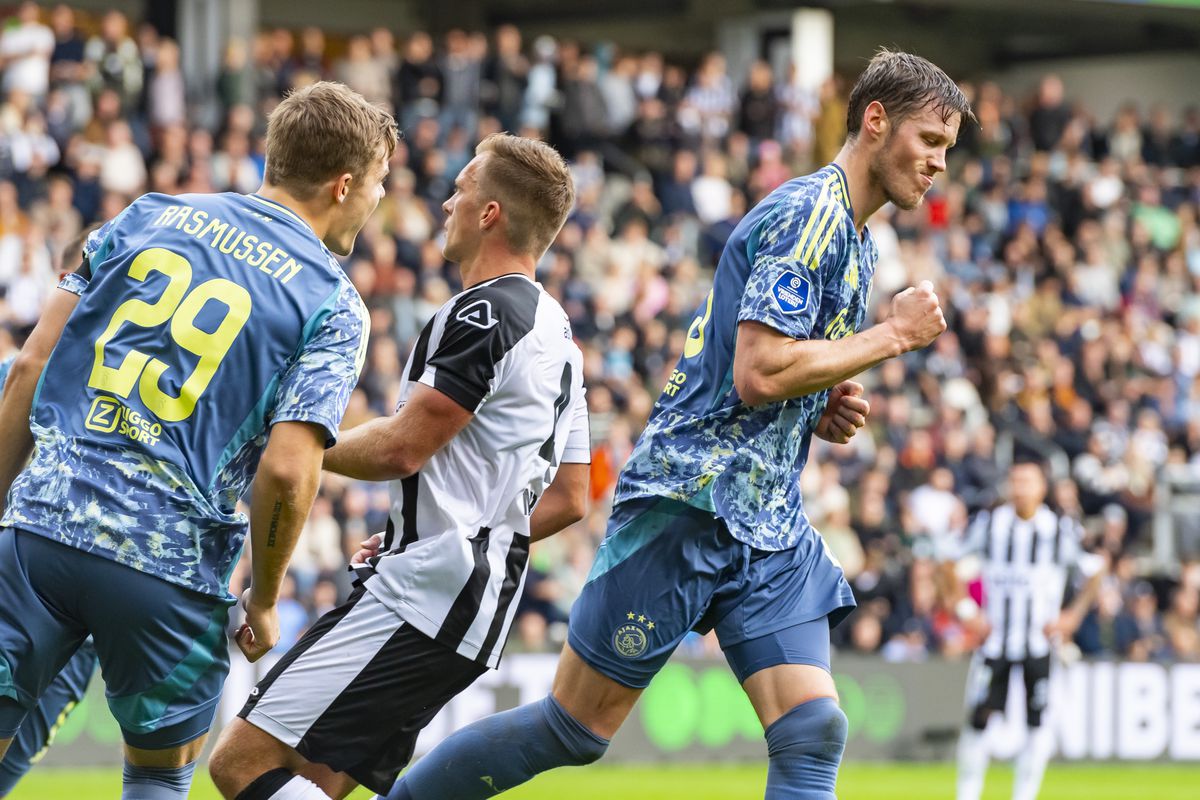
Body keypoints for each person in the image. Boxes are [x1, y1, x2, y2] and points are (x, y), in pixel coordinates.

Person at [385, 47, 972, 800]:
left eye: (948, 152)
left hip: (764, 519)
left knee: (813, 729)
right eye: (929, 142)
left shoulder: (855, 236)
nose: (938, 165)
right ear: (875, 120)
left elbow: (757, 357)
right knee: (572, 731)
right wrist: (888, 336)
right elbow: (759, 374)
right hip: (687, 506)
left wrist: (815, 400)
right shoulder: (811, 216)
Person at [0, 81, 396, 799]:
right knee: (154, 784)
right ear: (344, 186)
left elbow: (31, 363)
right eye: (378, 185)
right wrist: (267, 598)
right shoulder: (332, 304)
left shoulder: (146, 214)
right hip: (168, 572)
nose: (376, 203)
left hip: (41, 532)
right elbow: (286, 469)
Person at [207, 132, 589, 800]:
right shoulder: (560, 336)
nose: (447, 203)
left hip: (422, 598)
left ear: (490, 212)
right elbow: (572, 497)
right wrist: (459, 528)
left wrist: (295, 446)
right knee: (311, 781)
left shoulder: (484, 311)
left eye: (463, 188)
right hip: (471, 606)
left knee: (238, 762)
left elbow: (399, 448)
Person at [950, 461, 1106, 800]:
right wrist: (967, 612)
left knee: (1038, 723)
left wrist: (1072, 616)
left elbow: (1094, 571)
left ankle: (1025, 795)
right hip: (994, 644)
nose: (1020, 487)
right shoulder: (989, 525)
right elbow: (947, 563)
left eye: (1028, 481)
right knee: (978, 719)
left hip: (1039, 645)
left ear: (1041, 488)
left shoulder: (1059, 529)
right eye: (1015, 480)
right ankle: (967, 794)